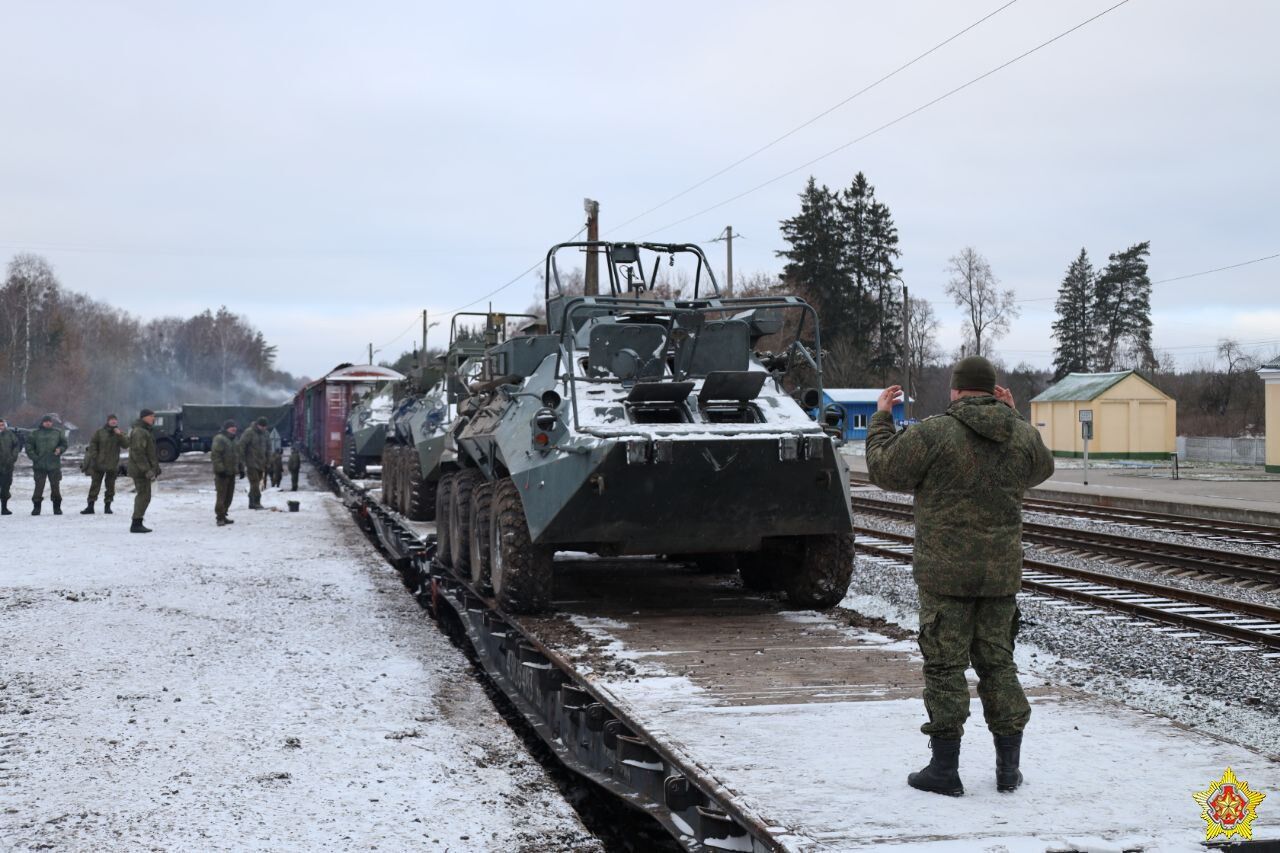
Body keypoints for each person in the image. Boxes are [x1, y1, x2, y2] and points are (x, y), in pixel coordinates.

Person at [865, 356, 1054, 797]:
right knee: (998, 663)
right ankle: (1009, 769)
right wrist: (1013, 414)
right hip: (999, 575)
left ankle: (944, 770)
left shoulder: (935, 432)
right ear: (992, 390)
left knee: (946, 665)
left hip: (945, 574)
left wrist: (880, 418)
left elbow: (883, 468)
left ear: (955, 390)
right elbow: (1042, 466)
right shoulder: (1019, 434)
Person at [81, 414, 129, 515]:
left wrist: (119, 435)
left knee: (110, 486)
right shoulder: (100, 432)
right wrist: (95, 456)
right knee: (95, 485)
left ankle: (108, 506)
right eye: (111, 420)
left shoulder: (120, 433)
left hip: (112, 464)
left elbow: (126, 445)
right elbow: (93, 444)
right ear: (108, 421)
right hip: (99, 464)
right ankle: (90, 506)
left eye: (115, 420)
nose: (113, 422)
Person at [127, 409, 161, 533]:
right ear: (144, 417)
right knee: (143, 495)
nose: (153, 418)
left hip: (143, 469)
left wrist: (155, 468)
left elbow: (149, 452)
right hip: (140, 470)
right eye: (152, 416)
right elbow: (138, 453)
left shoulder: (145, 431)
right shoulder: (140, 432)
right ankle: (136, 523)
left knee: (145, 495)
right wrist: (147, 470)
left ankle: (137, 522)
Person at [27, 414, 68, 515]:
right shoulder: (35, 434)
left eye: (49, 421)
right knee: (38, 487)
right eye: (46, 422)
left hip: (54, 465)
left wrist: (60, 449)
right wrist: (35, 458)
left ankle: (57, 507)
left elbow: (64, 444)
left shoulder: (57, 433)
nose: (48, 423)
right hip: (39, 465)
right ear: (42, 423)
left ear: (52, 423)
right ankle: (36, 507)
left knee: (55, 487)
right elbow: (29, 447)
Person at [211, 420, 239, 527]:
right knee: (221, 497)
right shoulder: (220, 439)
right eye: (232, 428)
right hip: (222, 473)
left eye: (235, 429)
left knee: (229, 496)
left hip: (231, 472)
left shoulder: (234, 440)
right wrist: (220, 469)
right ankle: (220, 517)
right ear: (227, 429)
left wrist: (240, 468)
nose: (234, 430)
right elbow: (216, 456)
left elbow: (237, 455)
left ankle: (224, 514)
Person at [238, 416, 271, 509]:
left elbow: (268, 448)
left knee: (255, 484)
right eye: (262, 426)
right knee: (255, 483)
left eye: (265, 426)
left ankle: (251, 502)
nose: (263, 428)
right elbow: (241, 446)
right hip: (251, 463)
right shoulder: (249, 433)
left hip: (261, 463)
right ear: (257, 425)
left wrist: (268, 462)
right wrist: (242, 462)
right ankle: (256, 502)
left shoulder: (266, 434)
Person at [0, 417, 21, 515]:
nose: (1, 427)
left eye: (2, 425)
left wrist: (13, 458)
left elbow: (16, 446)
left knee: (6, 487)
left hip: (7, 466)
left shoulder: (10, 434)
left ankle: (4, 508)